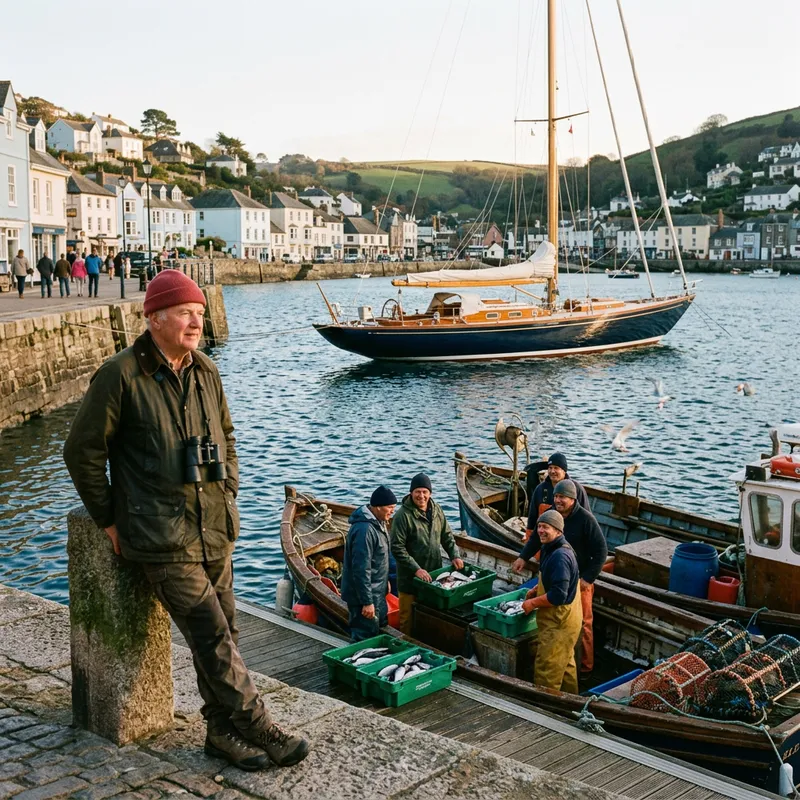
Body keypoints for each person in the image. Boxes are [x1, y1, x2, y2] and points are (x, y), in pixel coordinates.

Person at [62, 270, 309, 771]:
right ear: (154, 318)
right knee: (211, 633)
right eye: (185, 312)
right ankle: (260, 725)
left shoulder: (205, 372)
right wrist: (109, 518)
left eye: (200, 312)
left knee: (226, 632)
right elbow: (81, 452)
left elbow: (228, 438)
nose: (197, 321)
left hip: (213, 525)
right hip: (160, 535)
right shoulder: (120, 375)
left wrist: (229, 491)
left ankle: (220, 733)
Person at [515, 479, 607, 674]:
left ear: (573, 499)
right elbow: (535, 538)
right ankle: (568, 663)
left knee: (583, 625)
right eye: (556, 496)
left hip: (580, 580)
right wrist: (523, 557)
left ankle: (585, 667)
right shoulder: (551, 515)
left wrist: (587, 579)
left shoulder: (586, 519)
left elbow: (601, 551)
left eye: (562, 497)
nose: (558, 500)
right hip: (556, 575)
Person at [390, 473, 463, 634]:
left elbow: (447, 536)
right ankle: (406, 646)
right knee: (407, 619)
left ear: (430, 493)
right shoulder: (402, 516)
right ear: (411, 493)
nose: (421, 496)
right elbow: (397, 548)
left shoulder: (437, 510)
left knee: (430, 615)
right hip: (409, 580)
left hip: (433, 575)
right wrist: (416, 569)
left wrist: (454, 555)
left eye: (424, 492)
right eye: (417, 492)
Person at [520, 509, 582, 692]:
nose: (540, 531)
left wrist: (532, 603)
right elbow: (555, 581)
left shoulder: (560, 557)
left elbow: (558, 595)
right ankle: (573, 705)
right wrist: (536, 589)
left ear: (558, 531)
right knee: (565, 666)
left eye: (546, 527)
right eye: (539, 526)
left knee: (547, 669)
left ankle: (547, 712)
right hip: (570, 619)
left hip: (559, 622)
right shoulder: (551, 547)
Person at [341, 486, 396, 642]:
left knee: (380, 630)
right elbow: (361, 569)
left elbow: (381, 557)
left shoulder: (379, 522)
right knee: (363, 637)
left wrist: (386, 582)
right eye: (390, 507)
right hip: (364, 598)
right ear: (378, 507)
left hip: (378, 593)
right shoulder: (364, 531)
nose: (392, 511)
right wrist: (367, 602)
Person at [524, 452, 589, 539]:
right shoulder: (540, 489)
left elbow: (585, 518)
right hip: (544, 537)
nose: (552, 471)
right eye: (550, 468)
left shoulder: (577, 489)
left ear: (564, 470)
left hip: (569, 537)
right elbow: (532, 516)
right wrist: (529, 535)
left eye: (556, 468)